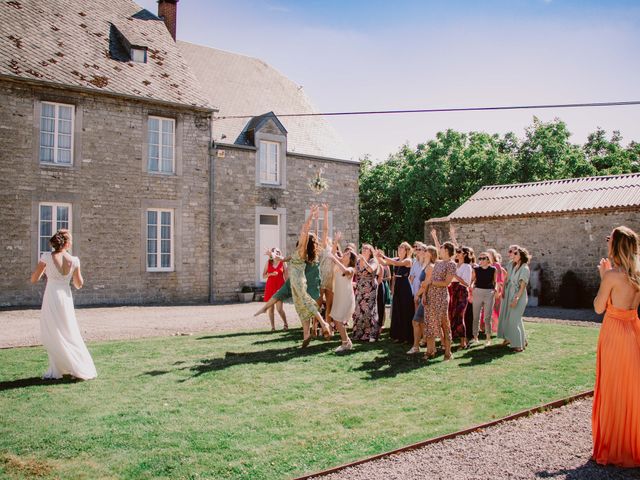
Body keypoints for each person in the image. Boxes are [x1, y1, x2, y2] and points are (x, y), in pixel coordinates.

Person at [592, 226, 640, 467]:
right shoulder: (638, 274)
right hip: (634, 330)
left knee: (612, 386)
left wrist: (604, 277)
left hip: (614, 333)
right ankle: (632, 443)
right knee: (632, 388)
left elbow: (599, 308)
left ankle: (615, 446)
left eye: (609, 239)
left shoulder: (612, 275)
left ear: (616, 245)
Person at [256, 205, 331, 347]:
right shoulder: (316, 252)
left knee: (304, 309)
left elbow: (307, 233)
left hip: (305, 283)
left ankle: (310, 332)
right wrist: (323, 214)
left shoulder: (303, 254)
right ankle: (308, 335)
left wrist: (313, 218)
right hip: (313, 284)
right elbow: (322, 231)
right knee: (306, 308)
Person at [30, 229, 97, 380]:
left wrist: (44, 272)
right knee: (69, 331)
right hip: (65, 298)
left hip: (52, 297)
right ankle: (78, 366)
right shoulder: (74, 260)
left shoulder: (46, 257)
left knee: (53, 332)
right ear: (66, 243)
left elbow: (34, 279)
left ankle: (58, 368)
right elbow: (79, 284)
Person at [423, 240, 457, 360]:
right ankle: (430, 351)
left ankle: (448, 353)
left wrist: (432, 282)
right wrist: (424, 294)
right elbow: (429, 280)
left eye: (441, 248)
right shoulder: (437, 263)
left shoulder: (451, 264)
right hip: (431, 295)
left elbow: (446, 283)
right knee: (429, 323)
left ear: (446, 250)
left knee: (444, 323)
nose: (439, 250)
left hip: (441, 297)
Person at [378, 242, 414, 344]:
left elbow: (397, 264)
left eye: (402, 247)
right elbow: (384, 263)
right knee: (397, 309)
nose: (399, 249)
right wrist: (377, 256)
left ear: (406, 250)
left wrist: (383, 256)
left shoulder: (408, 260)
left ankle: (407, 336)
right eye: (399, 247)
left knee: (405, 310)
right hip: (398, 284)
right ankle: (398, 335)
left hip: (404, 285)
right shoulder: (396, 259)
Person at [498, 246, 530, 352]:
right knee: (516, 320)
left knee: (513, 321)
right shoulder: (514, 266)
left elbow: (522, 287)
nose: (513, 255)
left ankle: (518, 346)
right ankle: (522, 342)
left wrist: (516, 299)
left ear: (521, 256)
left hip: (519, 296)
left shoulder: (524, 268)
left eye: (516, 253)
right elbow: (507, 278)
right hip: (510, 294)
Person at [407, 245, 436, 354]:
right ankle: (420, 346)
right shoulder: (425, 265)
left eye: (425, 251)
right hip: (424, 296)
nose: (422, 252)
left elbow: (425, 284)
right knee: (420, 321)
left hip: (427, 297)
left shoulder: (430, 266)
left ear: (430, 254)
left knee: (419, 321)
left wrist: (417, 295)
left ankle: (422, 347)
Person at [329, 249, 358, 353]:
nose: (345, 254)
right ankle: (346, 341)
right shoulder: (339, 264)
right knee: (336, 319)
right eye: (345, 253)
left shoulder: (351, 268)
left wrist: (335, 259)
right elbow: (331, 254)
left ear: (350, 259)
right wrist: (336, 241)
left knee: (338, 319)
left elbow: (346, 271)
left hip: (346, 297)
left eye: (348, 254)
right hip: (339, 296)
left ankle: (345, 343)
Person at [351, 244, 380, 342]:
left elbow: (371, 269)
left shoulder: (373, 261)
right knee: (359, 310)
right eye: (363, 248)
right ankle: (359, 334)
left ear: (370, 251)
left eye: (366, 248)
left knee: (369, 310)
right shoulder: (358, 261)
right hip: (360, 288)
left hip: (370, 288)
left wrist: (364, 261)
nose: (363, 250)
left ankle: (371, 334)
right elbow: (355, 272)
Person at [470, 252, 497, 345]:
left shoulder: (493, 269)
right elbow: (473, 280)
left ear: (488, 259)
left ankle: (488, 338)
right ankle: (475, 337)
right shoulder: (476, 269)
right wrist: (472, 287)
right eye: (479, 258)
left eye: (483, 258)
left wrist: (495, 290)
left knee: (487, 317)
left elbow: (495, 281)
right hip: (477, 292)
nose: (480, 260)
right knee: (476, 316)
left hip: (489, 293)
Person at [318, 204, 336, 328]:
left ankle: (328, 327)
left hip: (331, 279)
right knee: (318, 304)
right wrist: (325, 213)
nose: (327, 239)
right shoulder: (323, 247)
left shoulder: (333, 249)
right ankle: (315, 326)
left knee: (330, 305)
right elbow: (325, 230)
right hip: (322, 278)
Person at [262, 247, 288, 331]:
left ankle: (285, 324)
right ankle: (273, 327)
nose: (275, 253)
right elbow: (264, 275)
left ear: (279, 253)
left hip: (280, 288)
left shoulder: (283, 263)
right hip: (270, 287)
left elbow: (286, 277)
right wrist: (271, 274)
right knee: (271, 309)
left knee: (279, 309)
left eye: (277, 251)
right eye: (274, 251)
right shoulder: (268, 263)